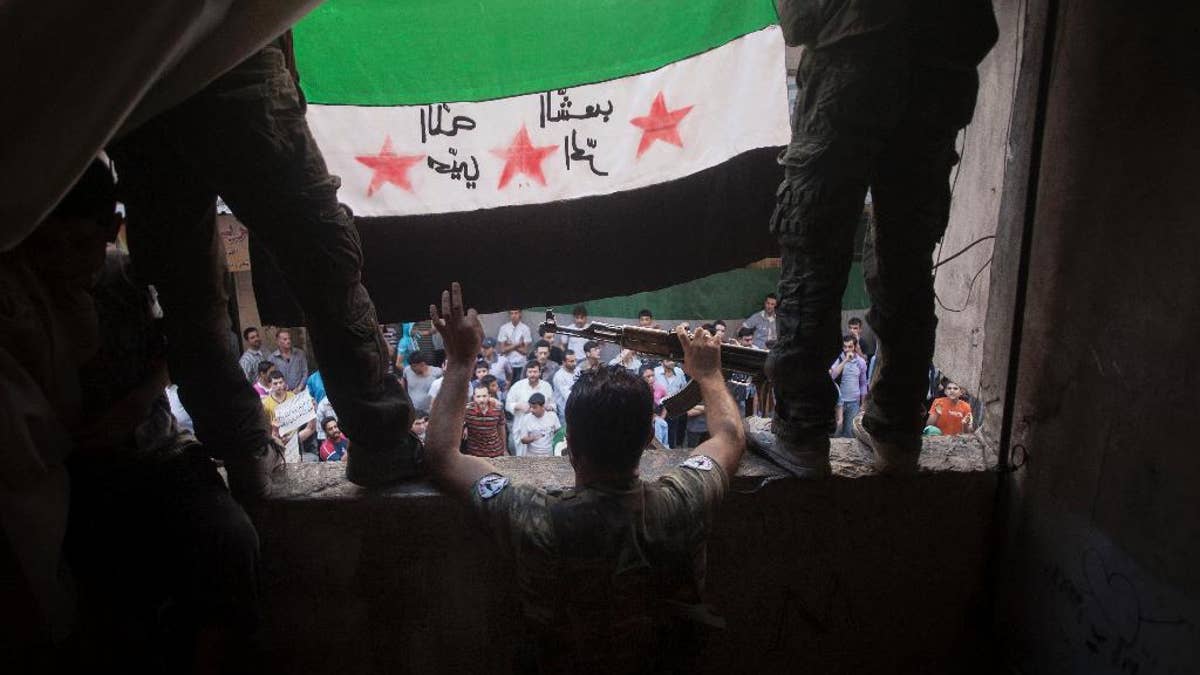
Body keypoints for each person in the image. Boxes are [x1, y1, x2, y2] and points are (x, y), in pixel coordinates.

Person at [109, 35, 423, 497]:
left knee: (190, 290)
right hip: (212, 62)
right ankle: (373, 438)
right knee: (316, 257)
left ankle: (247, 449)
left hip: (148, 72)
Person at [421, 282, 746, 673]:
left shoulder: (531, 516)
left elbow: (441, 454)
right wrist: (709, 374)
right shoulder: (683, 501)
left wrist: (460, 360)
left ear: (569, 445)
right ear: (647, 440)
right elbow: (729, 436)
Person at [759, 0, 997, 475]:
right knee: (907, 251)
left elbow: (800, 18)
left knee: (813, 236)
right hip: (944, 69)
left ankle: (801, 430)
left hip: (854, 60)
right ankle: (897, 427)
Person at [829, 335, 869, 438]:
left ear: (855, 347)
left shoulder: (861, 362)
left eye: (850, 346)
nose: (847, 349)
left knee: (850, 434)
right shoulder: (838, 359)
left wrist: (863, 403)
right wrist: (845, 360)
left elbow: (863, 384)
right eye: (845, 347)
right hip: (839, 403)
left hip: (853, 403)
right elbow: (832, 376)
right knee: (836, 433)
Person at [505, 360, 556, 431]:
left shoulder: (547, 386)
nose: (532, 374)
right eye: (530, 372)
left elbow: (553, 405)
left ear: (540, 373)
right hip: (522, 426)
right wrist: (518, 406)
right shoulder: (517, 386)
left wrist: (549, 407)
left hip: (542, 427)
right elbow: (507, 405)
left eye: (535, 372)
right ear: (526, 373)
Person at [511, 393, 560, 457]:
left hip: (549, 454)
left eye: (534, 407)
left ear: (542, 406)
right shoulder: (526, 418)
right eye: (530, 407)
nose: (531, 410)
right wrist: (534, 438)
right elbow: (523, 439)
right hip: (532, 455)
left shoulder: (552, 416)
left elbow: (558, 432)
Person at [464, 385, 507, 458]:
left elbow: (502, 430)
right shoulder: (467, 410)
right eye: (478, 396)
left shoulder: (498, 409)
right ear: (474, 397)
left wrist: (505, 449)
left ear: (489, 396)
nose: (481, 400)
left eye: (484, 396)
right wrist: (465, 427)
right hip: (475, 454)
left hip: (495, 452)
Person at [655, 358, 690, 447]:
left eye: (673, 360)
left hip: (674, 409)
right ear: (662, 362)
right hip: (659, 410)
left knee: (672, 434)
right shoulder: (655, 373)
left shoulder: (679, 372)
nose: (672, 362)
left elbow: (683, 388)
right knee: (659, 435)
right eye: (669, 360)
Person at [269, 328, 308, 394]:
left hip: (301, 391)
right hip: (283, 394)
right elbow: (271, 378)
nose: (288, 341)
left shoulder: (300, 353)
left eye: (289, 338)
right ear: (278, 341)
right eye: (285, 339)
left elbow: (305, 372)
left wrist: (299, 388)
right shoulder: (272, 358)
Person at [497, 309, 532, 380]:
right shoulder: (504, 328)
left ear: (520, 314)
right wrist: (518, 344)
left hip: (521, 364)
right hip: (507, 364)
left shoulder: (525, 329)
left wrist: (509, 345)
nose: (513, 315)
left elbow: (525, 351)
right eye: (511, 313)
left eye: (516, 313)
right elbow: (503, 350)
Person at [551, 349, 580, 423]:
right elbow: (569, 397)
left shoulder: (578, 370)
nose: (574, 363)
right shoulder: (559, 376)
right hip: (565, 414)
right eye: (571, 361)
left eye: (575, 360)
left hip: (578, 410)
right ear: (563, 362)